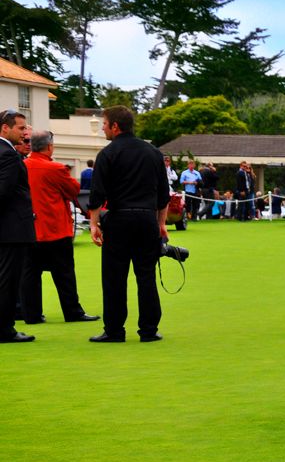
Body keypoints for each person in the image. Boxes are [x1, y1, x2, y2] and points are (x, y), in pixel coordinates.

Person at [87, 105, 169, 343]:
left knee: (114, 277)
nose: (103, 128)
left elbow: (97, 194)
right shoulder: (153, 153)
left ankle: (114, 330)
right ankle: (149, 330)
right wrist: (161, 224)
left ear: (115, 126)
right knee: (146, 276)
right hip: (146, 220)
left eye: (104, 124)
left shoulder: (108, 154)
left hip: (119, 218)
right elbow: (163, 195)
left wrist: (94, 225)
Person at [20, 130, 99, 324]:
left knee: (30, 274)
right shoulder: (55, 168)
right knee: (64, 274)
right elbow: (73, 189)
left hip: (30, 228)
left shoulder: (22, 166)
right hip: (55, 228)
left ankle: (32, 314)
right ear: (49, 147)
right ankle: (72, 311)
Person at [0, 110, 36, 343]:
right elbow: (3, 192)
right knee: (8, 280)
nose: (24, 133)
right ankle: (5, 329)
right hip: (11, 229)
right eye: (21, 128)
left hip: (8, 227)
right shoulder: (9, 155)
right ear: (5, 127)